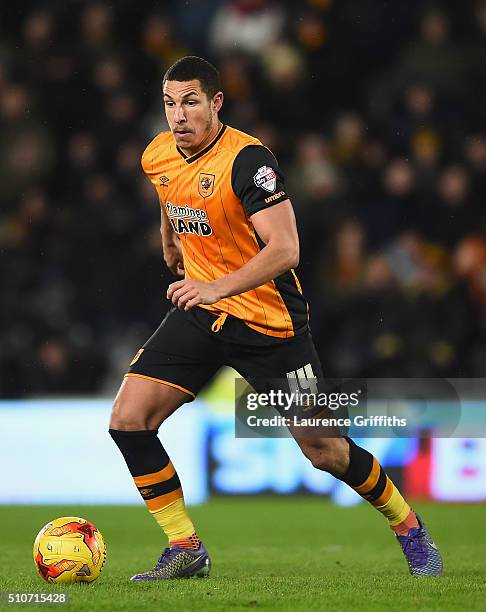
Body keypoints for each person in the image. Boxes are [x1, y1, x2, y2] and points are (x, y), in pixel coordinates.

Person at [108, 56, 443, 581]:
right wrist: (170, 242)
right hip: (204, 314)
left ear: (216, 103)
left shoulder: (248, 161)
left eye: (191, 102)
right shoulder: (158, 153)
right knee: (128, 421)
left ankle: (410, 529)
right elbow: (167, 194)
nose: (179, 115)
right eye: (171, 103)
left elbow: (286, 249)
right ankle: (184, 546)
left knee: (325, 451)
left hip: (270, 326)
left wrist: (213, 285)